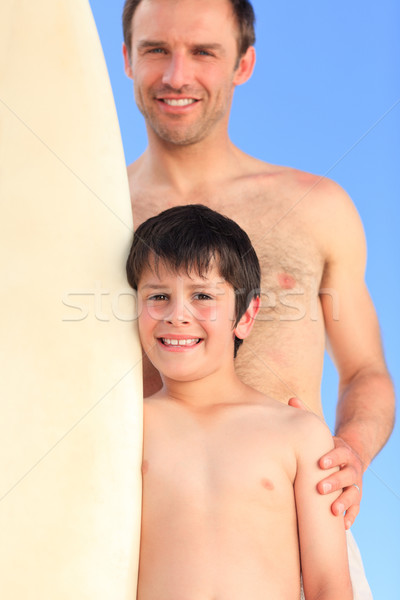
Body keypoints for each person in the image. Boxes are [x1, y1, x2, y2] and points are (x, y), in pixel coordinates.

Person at [121, 0, 395, 595]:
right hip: (143, 546)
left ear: (244, 62)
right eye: (156, 50)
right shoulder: (93, 211)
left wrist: (347, 452)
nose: (175, 76)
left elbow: (367, 370)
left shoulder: (317, 206)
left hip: (298, 522)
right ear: (126, 57)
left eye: (203, 52)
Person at [126, 203, 353, 600]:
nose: (177, 315)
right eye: (158, 295)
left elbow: (329, 586)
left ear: (245, 317)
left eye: (202, 296)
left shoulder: (298, 433)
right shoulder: (127, 427)